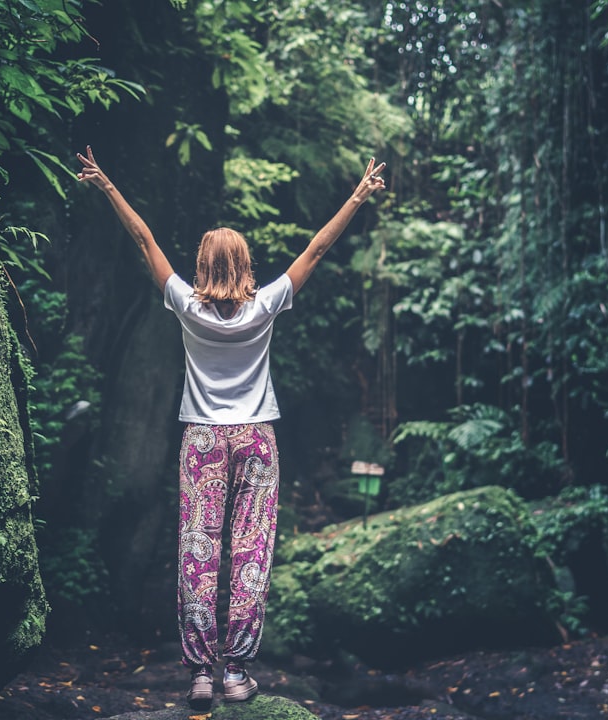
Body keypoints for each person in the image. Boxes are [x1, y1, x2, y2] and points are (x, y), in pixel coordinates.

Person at [75, 145, 386, 709]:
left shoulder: (185, 307)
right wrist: (358, 196)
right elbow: (317, 247)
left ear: (201, 265)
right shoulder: (265, 306)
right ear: (244, 265)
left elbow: (144, 240)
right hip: (256, 439)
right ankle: (237, 672)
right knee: (250, 549)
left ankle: (199, 674)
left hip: (201, 441)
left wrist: (107, 185)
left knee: (198, 550)